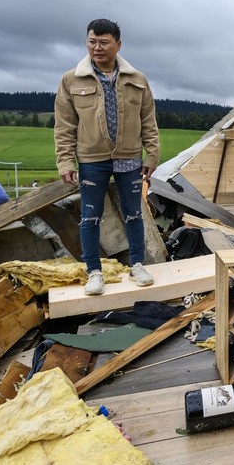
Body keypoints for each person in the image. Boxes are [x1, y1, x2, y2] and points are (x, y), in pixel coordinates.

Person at [54, 18, 160, 296]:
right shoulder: (71, 80)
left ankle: (138, 265)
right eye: (92, 41)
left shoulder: (137, 79)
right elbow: (64, 126)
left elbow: (148, 119)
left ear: (118, 44)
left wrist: (152, 155)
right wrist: (65, 161)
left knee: (134, 214)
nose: (97, 48)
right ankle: (94, 272)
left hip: (129, 158)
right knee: (90, 217)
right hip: (91, 160)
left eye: (103, 42)